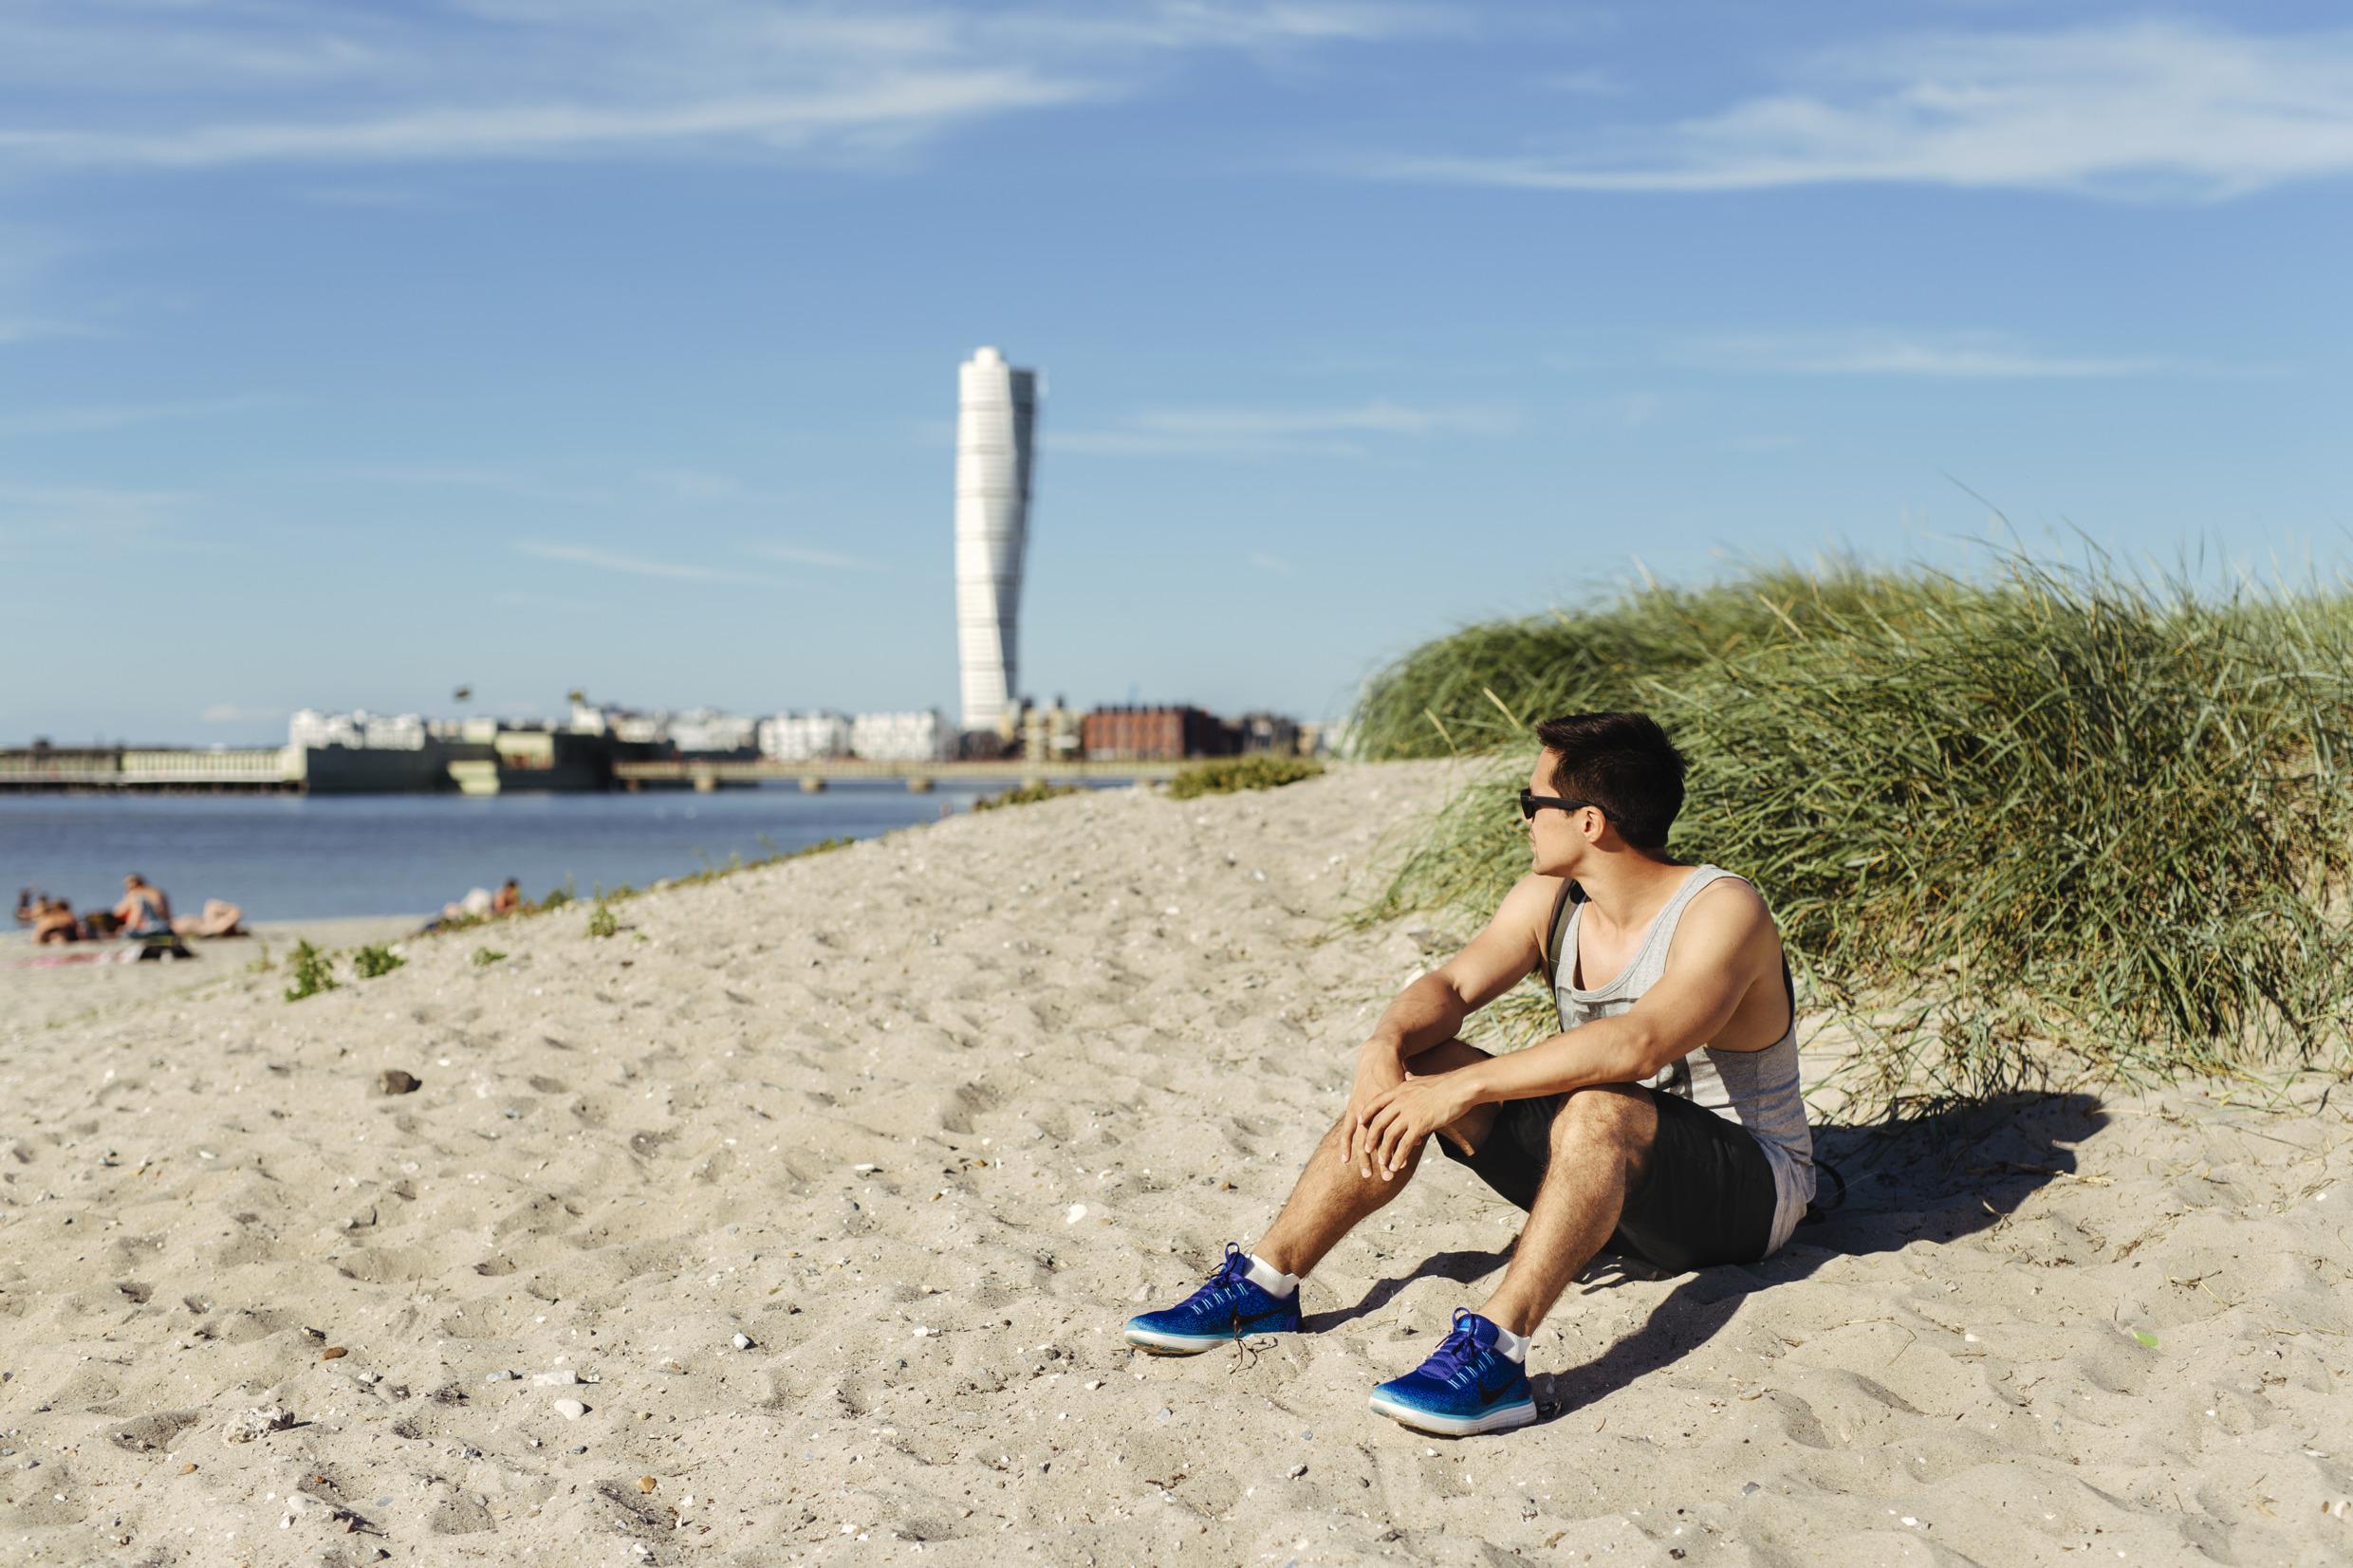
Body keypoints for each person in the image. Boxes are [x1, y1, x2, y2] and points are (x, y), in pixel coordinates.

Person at [1122, 711, 1815, 1437]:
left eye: (1530, 805)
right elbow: (1449, 990)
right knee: (1424, 1063)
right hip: (1612, 1186)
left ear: (1588, 822)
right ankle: (1268, 1282)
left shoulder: (1722, 909)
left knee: (1596, 1107)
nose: (1521, 820)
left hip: (1748, 1194)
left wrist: (1470, 1086)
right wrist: (1383, 1046)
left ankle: (1498, 1354)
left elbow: (1639, 1043)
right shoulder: (1549, 901)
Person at [114, 873, 193, 960]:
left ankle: (156, 943)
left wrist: (127, 928)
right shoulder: (157, 891)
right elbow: (167, 914)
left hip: (152, 929)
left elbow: (119, 913)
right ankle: (167, 942)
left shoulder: (135, 894)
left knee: (125, 933)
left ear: (133, 884)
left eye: (127, 885)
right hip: (166, 928)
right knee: (163, 939)